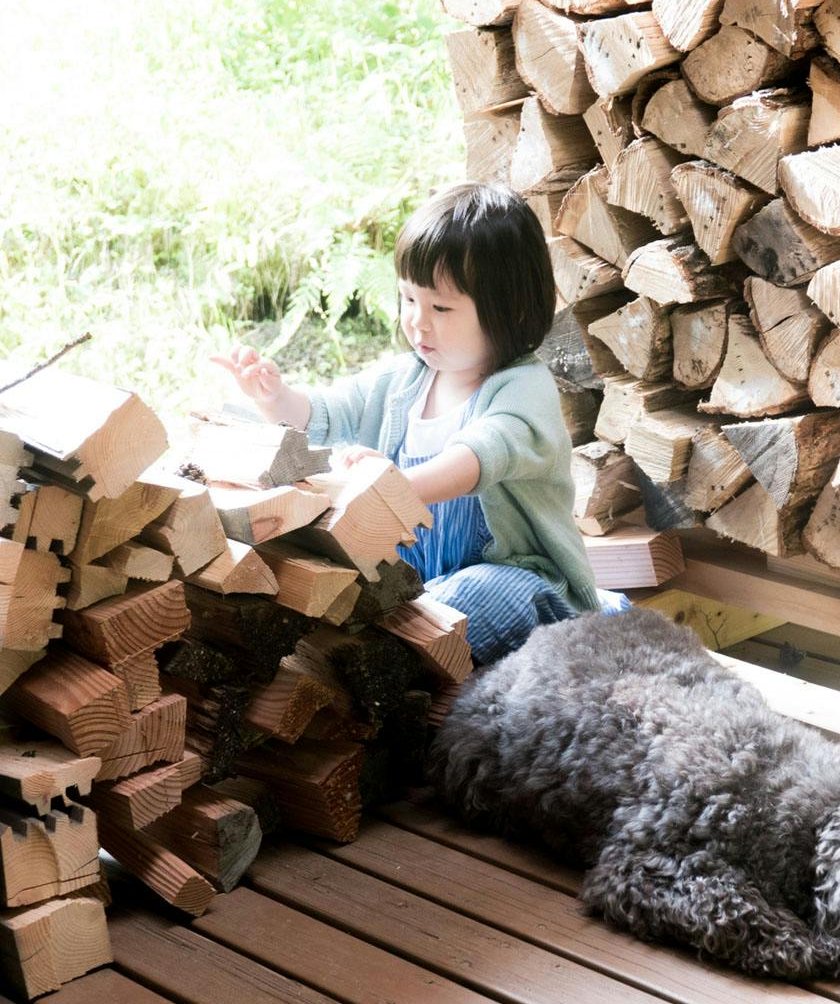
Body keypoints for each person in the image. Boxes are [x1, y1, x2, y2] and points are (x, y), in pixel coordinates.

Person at [215, 181, 624, 664]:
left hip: (522, 581)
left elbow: (479, 457)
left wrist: (389, 485)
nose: (417, 322)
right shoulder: (403, 381)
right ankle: (376, 653)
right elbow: (324, 416)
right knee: (358, 591)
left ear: (509, 310)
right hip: (418, 584)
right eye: (409, 299)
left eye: (441, 307)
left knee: (470, 598)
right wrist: (274, 397)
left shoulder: (522, 387)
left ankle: (396, 655)